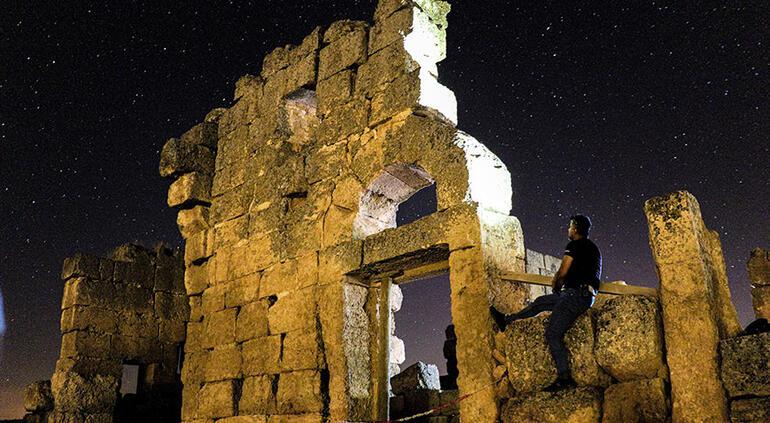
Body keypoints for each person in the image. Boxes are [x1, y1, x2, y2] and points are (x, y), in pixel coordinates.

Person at [490, 215, 602, 391]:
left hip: (574, 295)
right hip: (581, 295)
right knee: (541, 302)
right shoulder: (593, 248)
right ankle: (506, 321)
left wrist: (556, 284)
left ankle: (564, 378)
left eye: (570, 227)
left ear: (575, 228)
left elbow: (563, 270)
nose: (568, 230)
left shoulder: (574, 245)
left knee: (552, 334)